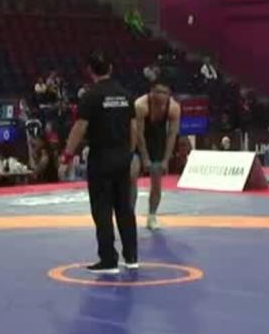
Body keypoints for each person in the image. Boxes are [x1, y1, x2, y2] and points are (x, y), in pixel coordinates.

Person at [62, 53, 138, 274]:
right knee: (125, 207)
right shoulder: (126, 95)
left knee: (102, 208)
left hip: (101, 157)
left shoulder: (91, 96)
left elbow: (79, 128)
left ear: (90, 71)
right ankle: (131, 257)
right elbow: (134, 128)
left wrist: (67, 156)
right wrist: (129, 153)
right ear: (110, 68)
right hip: (122, 155)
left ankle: (108, 259)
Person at [133, 80, 181, 231]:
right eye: (158, 92)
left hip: (157, 141)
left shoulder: (173, 107)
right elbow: (138, 134)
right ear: (151, 92)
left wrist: (166, 159)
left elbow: (172, 135)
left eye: (165, 93)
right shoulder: (140, 105)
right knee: (131, 176)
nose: (161, 96)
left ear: (169, 94)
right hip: (137, 141)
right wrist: (145, 158)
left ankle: (152, 216)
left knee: (156, 182)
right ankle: (129, 215)